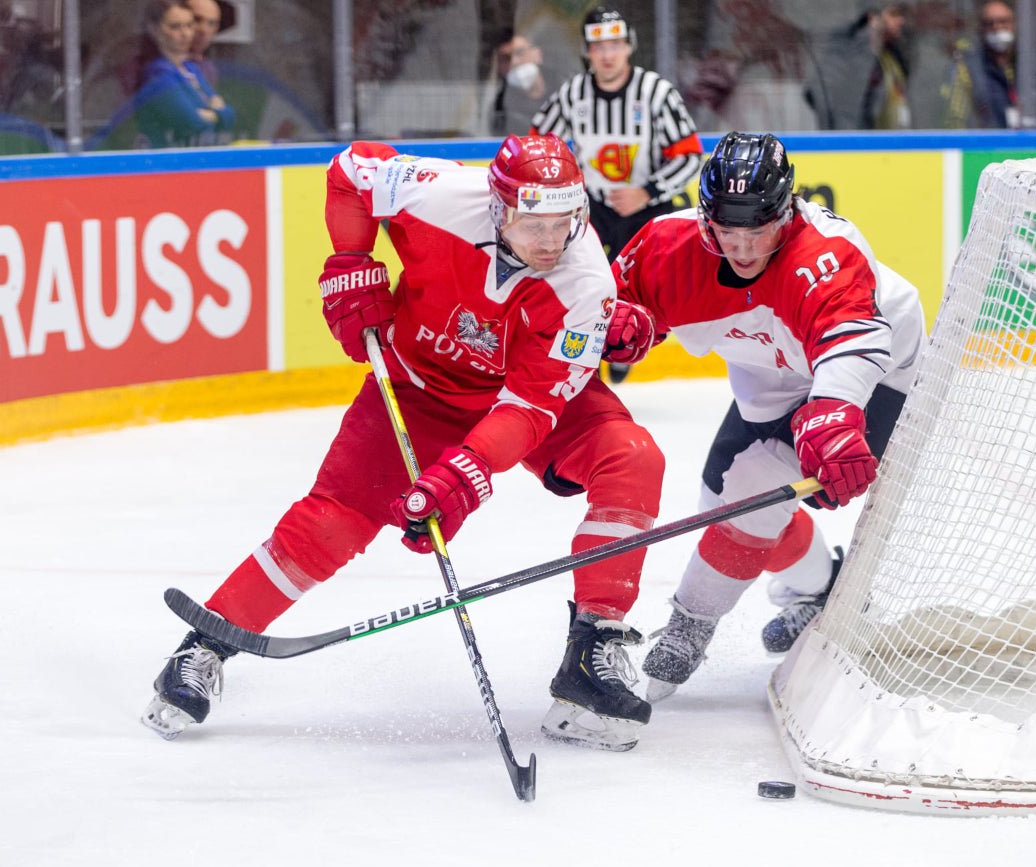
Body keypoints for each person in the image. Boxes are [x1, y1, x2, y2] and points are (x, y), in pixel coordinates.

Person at [141, 134, 665, 752]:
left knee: (631, 457)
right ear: (498, 209)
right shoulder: (439, 193)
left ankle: (593, 651)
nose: (552, 241)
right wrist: (350, 259)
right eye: (533, 225)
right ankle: (209, 642)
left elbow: (530, 406)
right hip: (416, 392)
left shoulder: (585, 287)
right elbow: (350, 169)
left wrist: (462, 472)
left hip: (523, 404)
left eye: (564, 222)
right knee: (330, 524)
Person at [600, 132, 926, 700]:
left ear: (787, 212)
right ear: (706, 217)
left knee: (753, 494)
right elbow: (612, 297)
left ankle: (689, 626)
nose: (743, 250)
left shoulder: (825, 250)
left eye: (759, 231)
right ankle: (816, 589)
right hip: (771, 372)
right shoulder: (667, 246)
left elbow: (852, 337)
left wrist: (833, 413)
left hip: (876, 367)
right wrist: (621, 320)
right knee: (722, 508)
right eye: (727, 231)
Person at [530, 5, 703, 384]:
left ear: (629, 46)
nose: (607, 55)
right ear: (587, 52)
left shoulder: (655, 93)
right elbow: (538, 148)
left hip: (646, 207)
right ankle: (571, 354)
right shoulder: (573, 95)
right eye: (598, 47)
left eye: (615, 44)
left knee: (640, 285)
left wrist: (647, 191)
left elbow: (690, 156)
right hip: (591, 208)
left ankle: (625, 343)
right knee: (573, 277)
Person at [943, 0, 1036, 129]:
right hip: (989, 145)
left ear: (1014, 24)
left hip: (1033, 144)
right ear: (981, 29)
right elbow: (956, 117)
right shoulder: (968, 65)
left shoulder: (1034, 60)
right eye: (990, 23)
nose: (997, 27)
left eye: (1003, 21)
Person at [136, 0, 233, 148]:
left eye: (189, 25)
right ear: (154, 29)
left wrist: (212, 114)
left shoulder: (191, 69)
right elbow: (192, 123)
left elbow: (230, 116)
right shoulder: (157, 74)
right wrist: (215, 112)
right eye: (175, 27)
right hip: (166, 161)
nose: (185, 33)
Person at [858, 4, 912, 130]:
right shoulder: (858, 61)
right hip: (871, 144)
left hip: (897, 141)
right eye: (893, 14)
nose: (900, 20)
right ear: (873, 19)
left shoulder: (892, 58)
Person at [485, 32, 549, 137]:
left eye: (520, 53)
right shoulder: (499, 110)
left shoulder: (564, 93)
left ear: (537, 54)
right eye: (506, 58)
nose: (514, 62)